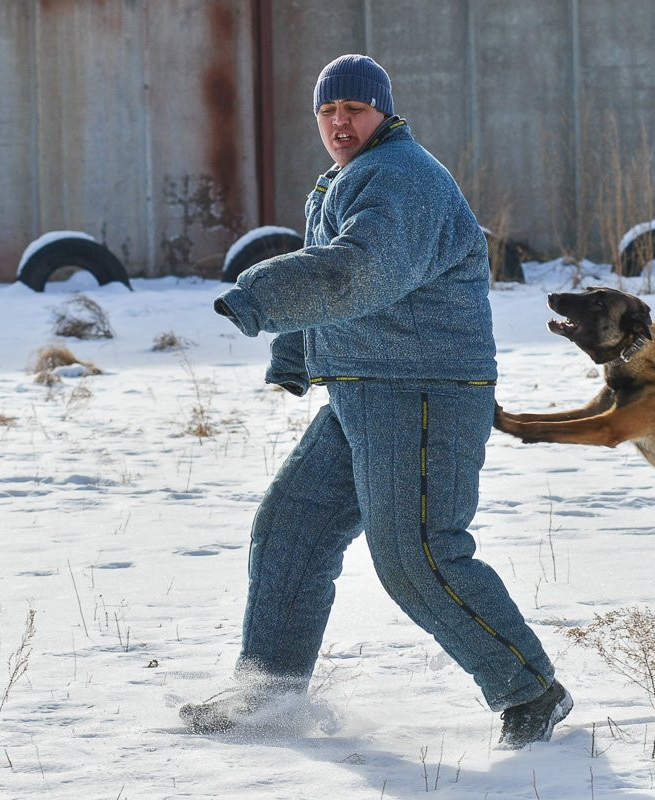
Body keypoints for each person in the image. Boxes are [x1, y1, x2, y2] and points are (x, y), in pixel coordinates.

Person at [179, 54, 571, 748]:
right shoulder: (348, 178)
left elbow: (361, 270)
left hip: (421, 391)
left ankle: (530, 689)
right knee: (291, 530)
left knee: (416, 554)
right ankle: (268, 696)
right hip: (366, 388)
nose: (339, 122)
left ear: (384, 112)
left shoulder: (401, 179)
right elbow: (337, 267)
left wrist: (259, 295)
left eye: (354, 109)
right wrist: (296, 357)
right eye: (328, 111)